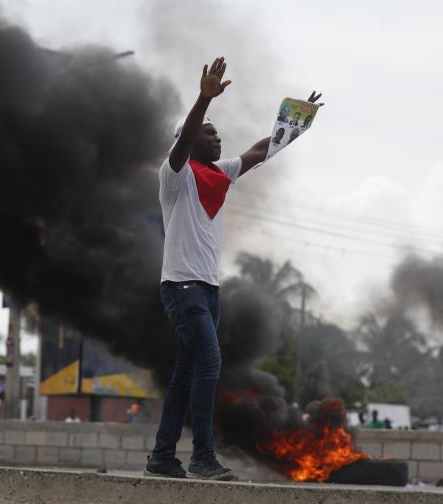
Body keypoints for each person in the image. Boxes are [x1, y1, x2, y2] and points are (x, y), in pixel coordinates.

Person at [147, 58, 321, 481]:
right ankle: (203, 457)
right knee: (210, 363)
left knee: (186, 374)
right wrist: (203, 99)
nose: (217, 136)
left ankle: (162, 457)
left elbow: (259, 152)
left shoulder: (218, 174)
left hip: (207, 290)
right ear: (189, 143)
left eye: (217, 131)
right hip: (182, 287)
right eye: (210, 133)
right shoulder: (175, 177)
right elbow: (184, 140)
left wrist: (291, 126)